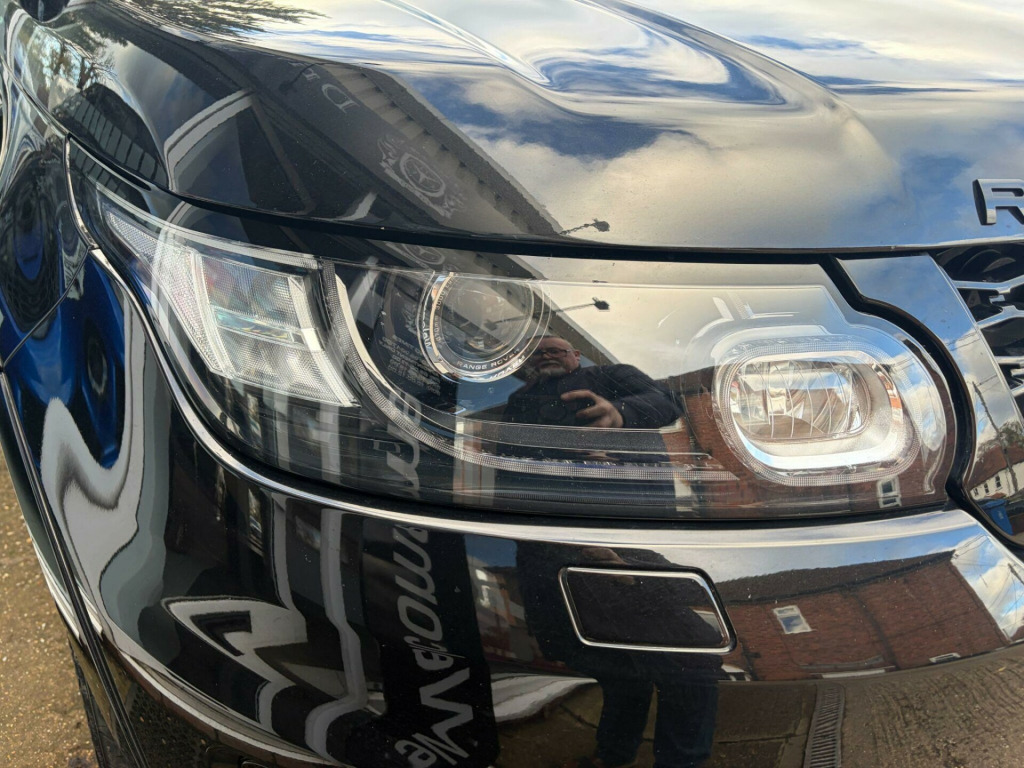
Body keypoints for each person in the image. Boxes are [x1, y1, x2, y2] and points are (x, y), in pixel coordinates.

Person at [503, 336, 681, 430]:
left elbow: (668, 401)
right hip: (533, 480)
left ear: (577, 355)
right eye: (537, 353)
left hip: (622, 478)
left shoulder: (611, 374)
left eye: (554, 351)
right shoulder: (520, 396)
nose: (546, 356)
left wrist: (619, 413)